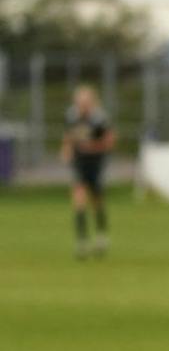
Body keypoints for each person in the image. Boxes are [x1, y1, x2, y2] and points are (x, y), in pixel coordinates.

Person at [61, 85, 115, 259]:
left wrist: (92, 147)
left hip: (96, 163)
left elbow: (110, 141)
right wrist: (66, 149)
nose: (82, 105)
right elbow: (68, 136)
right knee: (79, 200)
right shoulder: (71, 116)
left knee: (97, 201)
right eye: (79, 102)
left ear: (92, 102)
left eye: (85, 102)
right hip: (79, 163)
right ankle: (82, 242)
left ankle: (101, 236)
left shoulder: (99, 119)